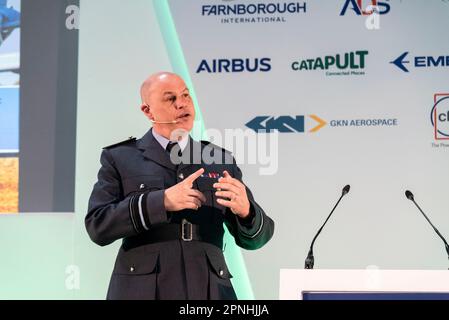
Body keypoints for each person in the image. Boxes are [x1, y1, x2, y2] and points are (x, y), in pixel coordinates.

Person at [85, 72, 274, 300]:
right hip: (143, 290)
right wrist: (161, 202)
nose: (182, 103)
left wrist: (247, 212)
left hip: (209, 289)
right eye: (170, 98)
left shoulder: (219, 159)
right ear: (147, 110)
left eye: (186, 95)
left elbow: (258, 239)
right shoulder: (121, 158)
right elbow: (98, 226)